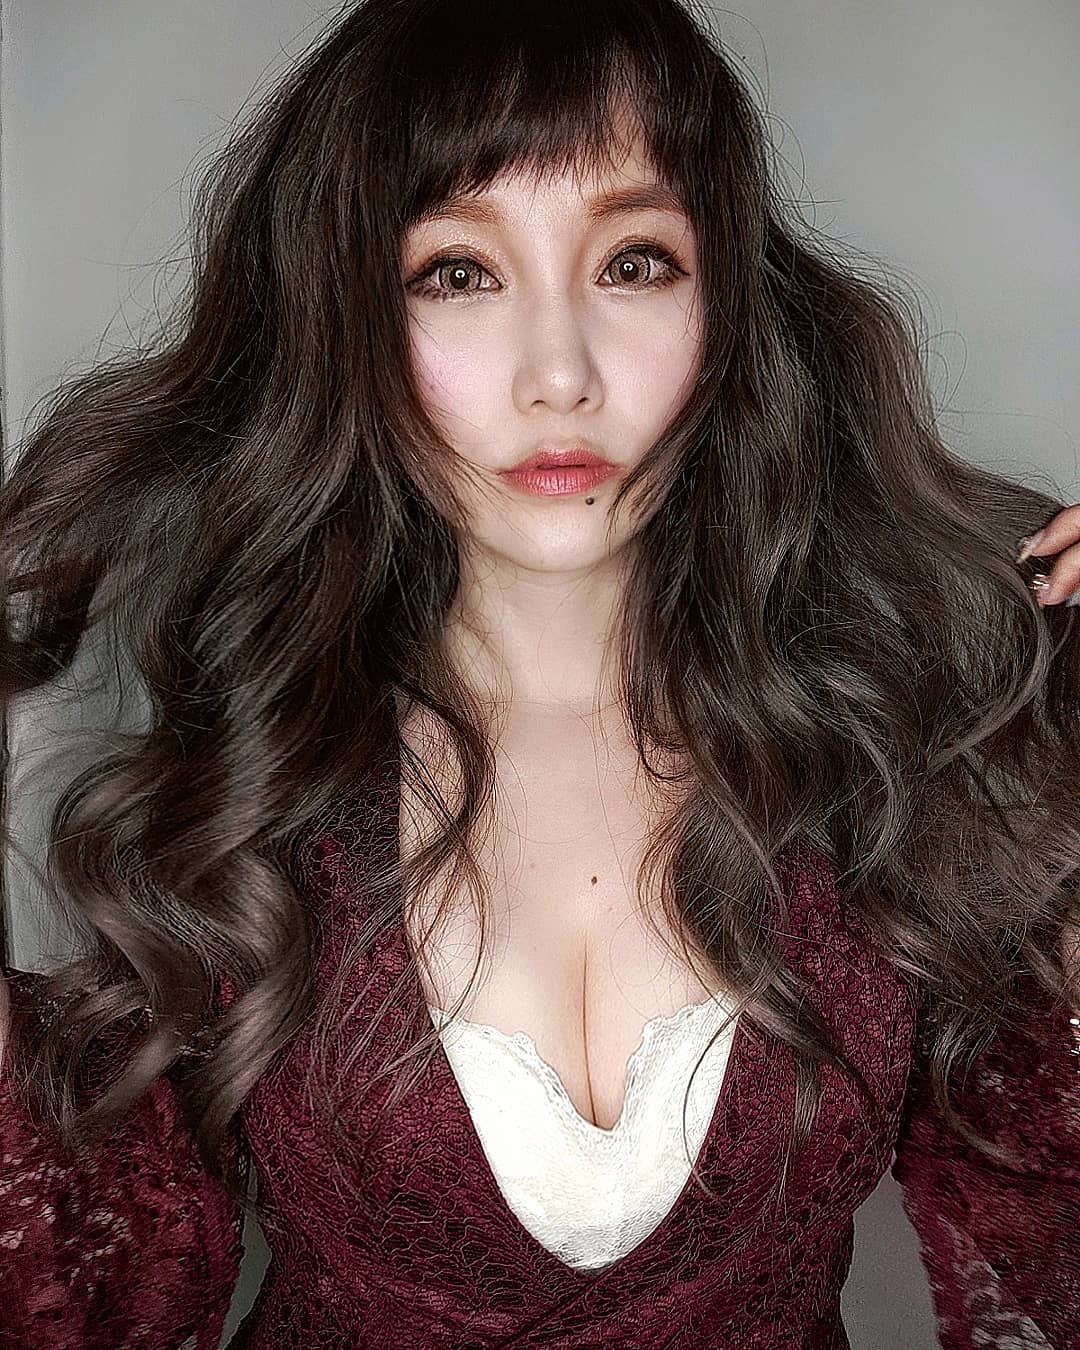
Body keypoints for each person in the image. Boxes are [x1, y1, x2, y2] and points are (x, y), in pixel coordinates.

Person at [1, 0, 1078, 1346]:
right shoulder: (250, 775)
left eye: (634, 262)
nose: (559, 375)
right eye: (458, 272)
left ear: (727, 307)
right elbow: (79, 1285)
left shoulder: (890, 747)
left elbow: (1050, 1230)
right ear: (348, 319)